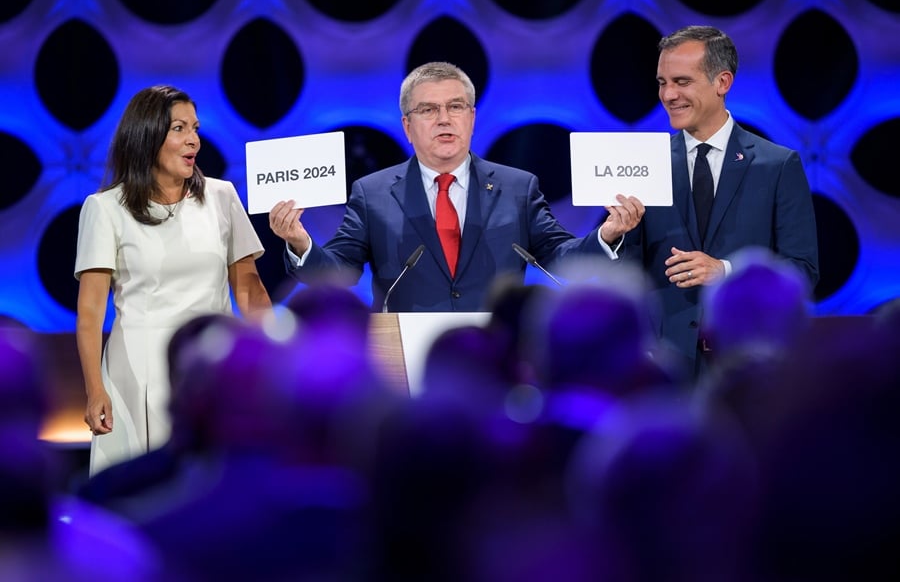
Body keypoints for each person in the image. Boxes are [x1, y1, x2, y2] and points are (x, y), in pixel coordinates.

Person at [268, 61, 642, 312]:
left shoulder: (517, 187)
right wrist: (301, 244)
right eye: (429, 110)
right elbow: (340, 271)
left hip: (497, 350)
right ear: (407, 127)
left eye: (456, 107)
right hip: (409, 354)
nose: (444, 119)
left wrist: (605, 236)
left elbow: (561, 259)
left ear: (473, 118)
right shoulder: (373, 192)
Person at [74, 84, 272, 475]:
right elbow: (90, 312)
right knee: (139, 492)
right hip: (137, 369)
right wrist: (94, 388)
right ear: (147, 136)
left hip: (213, 364)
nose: (193, 140)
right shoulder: (104, 209)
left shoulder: (221, 196)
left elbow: (250, 290)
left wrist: (272, 358)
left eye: (195, 128)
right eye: (178, 128)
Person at [613, 26, 819, 379]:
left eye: (681, 81)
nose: (668, 95)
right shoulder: (647, 163)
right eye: (662, 82)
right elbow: (626, 272)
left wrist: (724, 271)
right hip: (664, 367)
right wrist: (613, 237)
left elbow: (802, 272)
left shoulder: (777, 165)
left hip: (748, 365)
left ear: (722, 83)